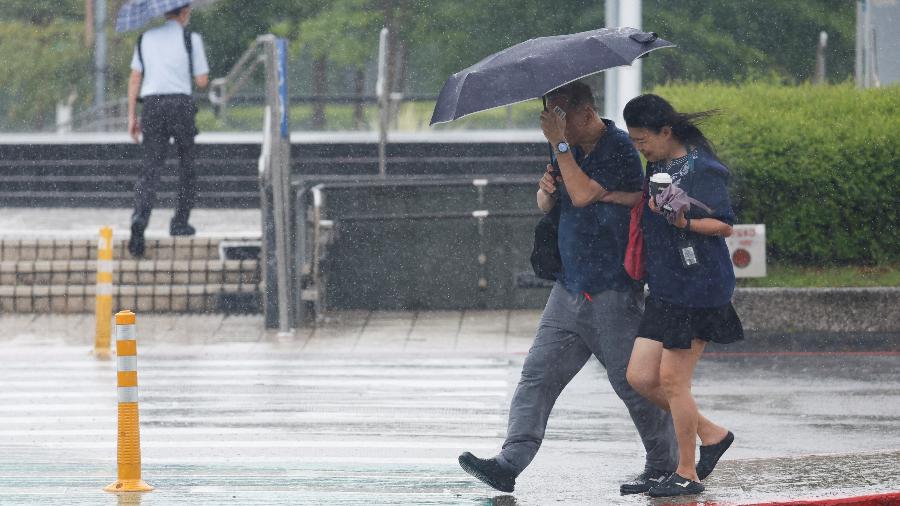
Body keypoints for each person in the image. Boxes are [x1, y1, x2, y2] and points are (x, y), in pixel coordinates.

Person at [458, 81, 678, 495]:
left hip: (612, 288)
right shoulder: (567, 149)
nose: (552, 124)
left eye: (558, 115)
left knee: (632, 382)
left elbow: (581, 195)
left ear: (586, 112)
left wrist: (559, 148)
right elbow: (555, 203)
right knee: (536, 376)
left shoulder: (617, 148)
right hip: (569, 287)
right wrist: (546, 189)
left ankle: (665, 463)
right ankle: (509, 463)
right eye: (549, 116)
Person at [622, 94, 744, 498]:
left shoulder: (703, 168)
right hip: (665, 286)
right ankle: (713, 435)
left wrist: (684, 220)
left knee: (674, 382)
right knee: (640, 377)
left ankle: (687, 472)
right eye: (634, 141)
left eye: (643, 140)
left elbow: (725, 226)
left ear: (666, 131)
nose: (640, 148)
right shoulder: (657, 164)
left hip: (698, 287)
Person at [126, 3, 209, 257]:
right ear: (184, 13)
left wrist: (132, 116)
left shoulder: (145, 39)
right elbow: (202, 81)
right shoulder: (191, 39)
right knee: (187, 166)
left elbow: (135, 78)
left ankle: (140, 218)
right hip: (181, 105)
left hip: (152, 105)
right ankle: (180, 222)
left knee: (151, 168)